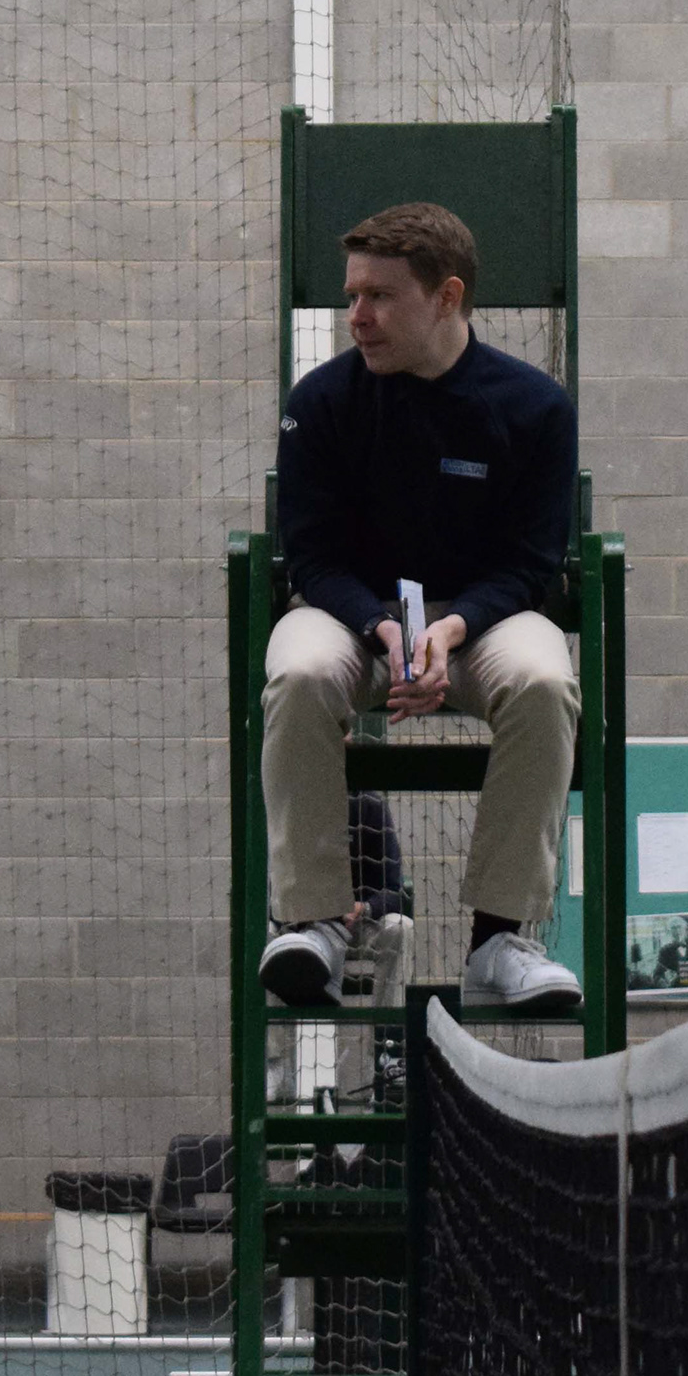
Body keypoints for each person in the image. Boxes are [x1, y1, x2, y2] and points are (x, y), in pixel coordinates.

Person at [260, 202, 582, 1015]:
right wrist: (380, 626)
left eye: (379, 296)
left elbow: (532, 562)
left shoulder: (536, 407)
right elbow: (311, 556)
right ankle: (314, 923)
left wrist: (455, 625)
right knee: (299, 670)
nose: (357, 317)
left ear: (447, 296)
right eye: (351, 295)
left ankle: (500, 942)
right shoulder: (320, 402)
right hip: (351, 617)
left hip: (481, 623)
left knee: (545, 681)